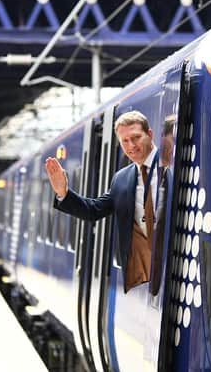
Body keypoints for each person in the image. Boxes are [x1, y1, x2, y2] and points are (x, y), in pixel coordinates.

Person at [46, 110, 161, 293]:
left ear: (150, 134)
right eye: (125, 141)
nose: (131, 145)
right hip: (142, 278)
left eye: (136, 137)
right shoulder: (122, 178)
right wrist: (63, 192)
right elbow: (93, 210)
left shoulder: (173, 166)